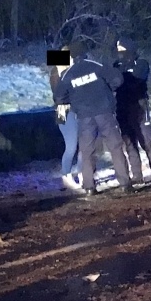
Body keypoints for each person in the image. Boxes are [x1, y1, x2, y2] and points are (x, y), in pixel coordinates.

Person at [52, 38, 131, 195]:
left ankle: (88, 186)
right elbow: (117, 79)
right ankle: (125, 183)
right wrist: (108, 91)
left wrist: (73, 100)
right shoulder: (95, 65)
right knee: (115, 147)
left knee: (85, 151)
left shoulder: (67, 73)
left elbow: (58, 96)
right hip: (104, 112)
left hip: (83, 116)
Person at [113, 39, 151, 187]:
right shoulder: (116, 65)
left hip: (139, 106)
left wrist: (122, 78)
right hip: (122, 107)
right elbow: (114, 83)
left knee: (147, 141)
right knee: (130, 143)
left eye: (122, 49)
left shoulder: (141, 63)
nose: (120, 53)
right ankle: (137, 176)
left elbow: (137, 80)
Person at [48, 57, 81, 190]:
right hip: (64, 111)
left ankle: (81, 171)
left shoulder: (74, 71)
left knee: (84, 144)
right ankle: (66, 174)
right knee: (71, 145)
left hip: (77, 109)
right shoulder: (57, 74)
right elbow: (58, 95)